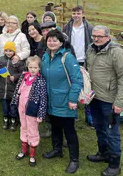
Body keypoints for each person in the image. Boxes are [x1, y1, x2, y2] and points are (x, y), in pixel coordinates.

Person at [86, 25, 123, 176]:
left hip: (110, 101)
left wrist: (119, 102)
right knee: (99, 127)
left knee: (112, 132)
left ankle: (114, 164)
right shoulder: (90, 49)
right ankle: (103, 153)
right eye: (94, 36)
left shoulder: (117, 53)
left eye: (100, 36)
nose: (96, 39)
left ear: (108, 37)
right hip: (94, 98)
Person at [41, 30, 83, 174]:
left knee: (69, 131)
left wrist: (72, 100)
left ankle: (74, 160)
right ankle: (57, 150)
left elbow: (77, 80)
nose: (51, 42)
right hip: (51, 100)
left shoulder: (68, 58)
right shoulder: (46, 56)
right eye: (49, 40)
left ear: (61, 42)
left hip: (65, 101)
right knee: (55, 127)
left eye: (54, 40)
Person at [11, 56, 47, 167]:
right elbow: (17, 90)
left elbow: (43, 98)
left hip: (32, 110)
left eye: (35, 67)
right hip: (21, 108)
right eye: (30, 67)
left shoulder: (41, 80)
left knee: (32, 130)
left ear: (39, 68)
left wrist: (41, 114)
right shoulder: (23, 76)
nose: (32, 69)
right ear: (27, 67)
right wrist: (14, 102)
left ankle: (32, 154)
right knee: (24, 127)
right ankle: (24, 150)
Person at [63, 6, 95, 127]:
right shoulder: (67, 27)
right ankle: (74, 112)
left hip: (84, 60)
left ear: (83, 14)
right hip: (72, 59)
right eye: (74, 13)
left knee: (87, 85)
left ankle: (89, 114)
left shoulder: (89, 28)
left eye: (78, 13)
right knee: (72, 85)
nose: (76, 15)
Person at [0, 42, 25, 131]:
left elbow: (22, 73)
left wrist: (14, 77)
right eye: (6, 50)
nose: (8, 52)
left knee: (13, 106)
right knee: (4, 106)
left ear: (14, 51)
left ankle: (14, 120)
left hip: (13, 88)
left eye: (10, 51)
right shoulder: (0, 60)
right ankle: (6, 119)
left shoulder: (18, 62)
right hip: (2, 88)